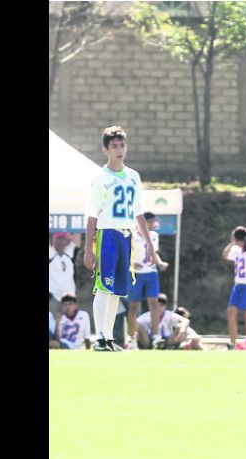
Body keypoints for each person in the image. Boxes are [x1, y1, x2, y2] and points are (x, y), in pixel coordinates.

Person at [83, 125, 157, 352]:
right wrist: (88, 248)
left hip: (127, 236)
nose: (119, 150)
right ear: (105, 149)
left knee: (117, 291)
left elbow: (138, 213)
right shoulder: (100, 177)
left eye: (122, 145)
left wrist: (150, 246)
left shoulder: (134, 176)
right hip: (107, 234)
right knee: (104, 287)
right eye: (114, 146)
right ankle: (100, 337)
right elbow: (92, 216)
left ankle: (109, 338)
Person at [126, 211, 169, 349]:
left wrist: (160, 263)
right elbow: (125, 255)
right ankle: (132, 339)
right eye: (151, 222)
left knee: (154, 303)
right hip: (136, 274)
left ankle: (156, 336)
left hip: (150, 272)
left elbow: (154, 253)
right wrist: (132, 264)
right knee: (134, 307)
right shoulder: (132, 236)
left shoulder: (154, 236)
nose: (153, 224)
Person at [49, 232, 81, 310]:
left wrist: (68, 234)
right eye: (58, 239)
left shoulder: (70, 252)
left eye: (62, 239)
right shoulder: (50, 253)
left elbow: (77, 234)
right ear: (53, 240)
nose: (60, 241)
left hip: (70, 296)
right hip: (52, 296)